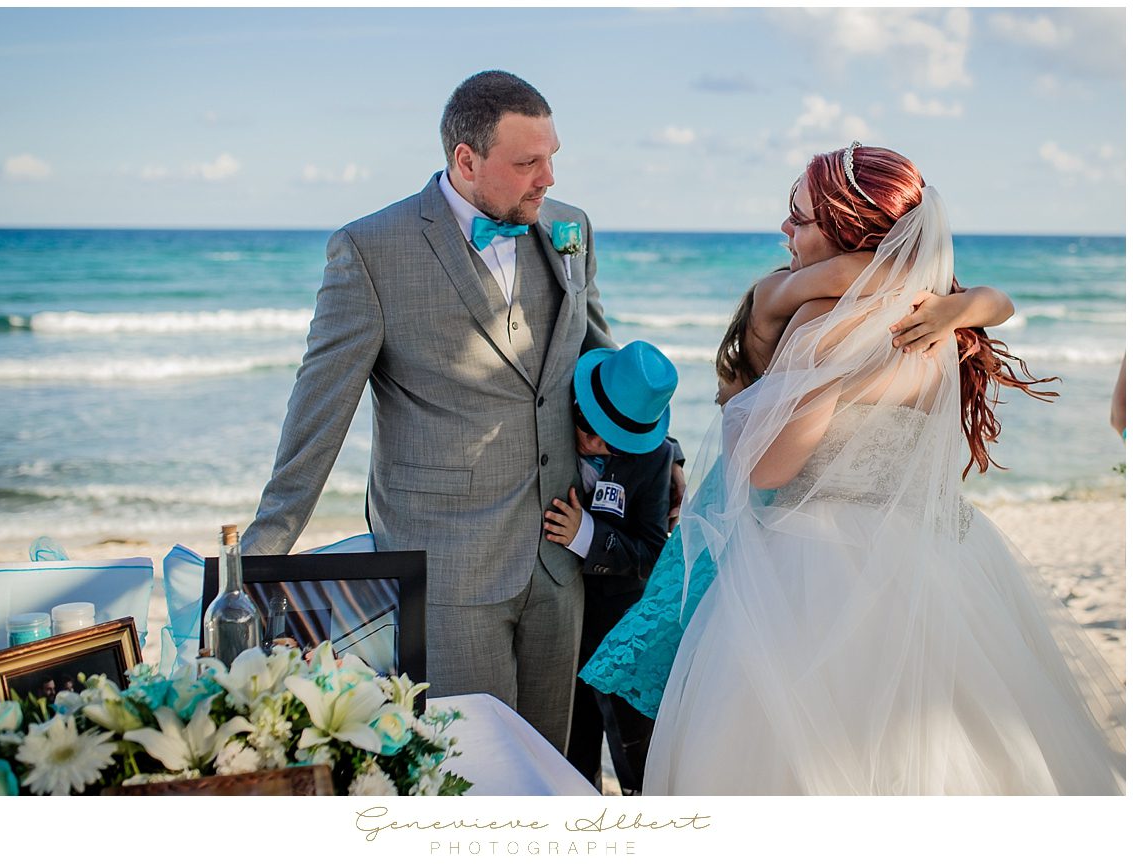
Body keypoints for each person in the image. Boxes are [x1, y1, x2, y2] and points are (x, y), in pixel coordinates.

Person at [643, 143, 1125, 795]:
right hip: (933, 555)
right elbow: (993, 302)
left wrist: (830, 382)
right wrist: (956, 305)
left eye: (802, 219)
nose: (786, 230)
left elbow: (767, 469)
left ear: (847, 234)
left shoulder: (818, 323)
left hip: (813, 564)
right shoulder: (938, 319)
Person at [241, 71, 631, 752]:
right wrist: (260, 554)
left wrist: (659, 456)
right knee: (468, 771)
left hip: (557, 557)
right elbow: (318, 410)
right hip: (448, 565)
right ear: (466, 160)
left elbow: (597, 355)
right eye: (527, 162)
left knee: (548, 771)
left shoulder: (571, 228)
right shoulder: (369, 250)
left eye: (552, 156)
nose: (547, 177)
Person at [581, 237, 1016, 723]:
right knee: (686, 655)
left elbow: (1000, 302)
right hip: (743, 505)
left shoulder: (826, 329)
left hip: (775, 513)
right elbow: (848, 274)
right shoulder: (774, 296)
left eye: (804, 218)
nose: (788, 229)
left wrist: (952, 307)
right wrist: (928, 291)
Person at [541, 341, 677, 794]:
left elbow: (653, 551)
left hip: (615, 618)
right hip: (554, 614)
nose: (594, 443)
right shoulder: (551, 418)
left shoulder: (654, 458)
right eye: (587, 424)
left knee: (630, 742)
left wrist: (588, 536)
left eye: (612, 440)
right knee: (571, 746)